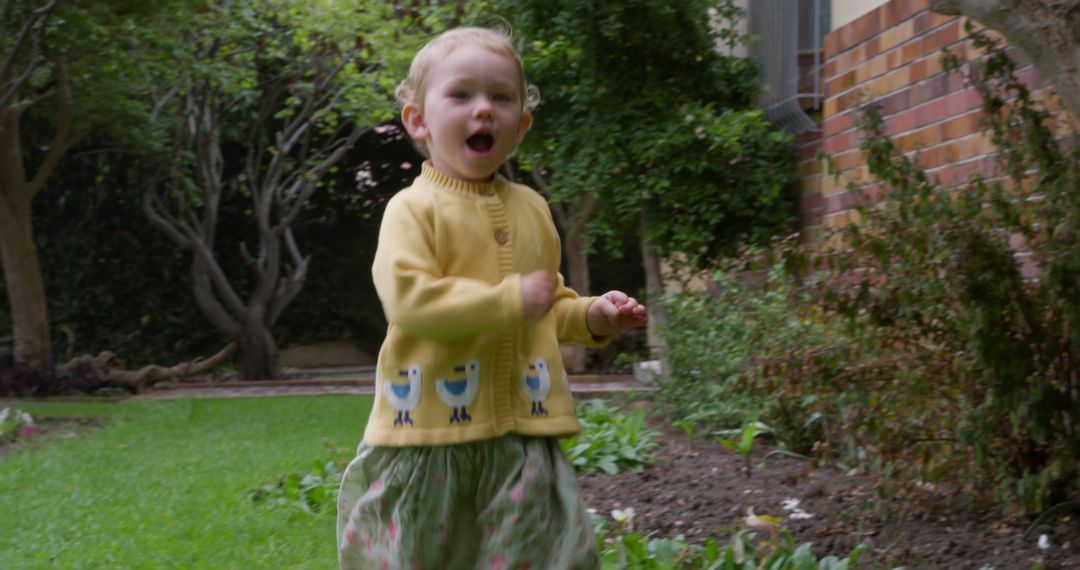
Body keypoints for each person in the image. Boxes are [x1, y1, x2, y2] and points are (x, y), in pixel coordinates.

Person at [337, 26, 647, 570]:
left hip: (520, 441)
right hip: (430, 437)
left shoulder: (532, 210)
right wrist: (509, 298)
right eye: (461, 95)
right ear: (419, 121)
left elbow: (546, 305)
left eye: (502, 97)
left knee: (547, 556)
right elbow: (412, 302)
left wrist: (591, 315)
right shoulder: (413, 211)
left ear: (521, 126)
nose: (484, 110)